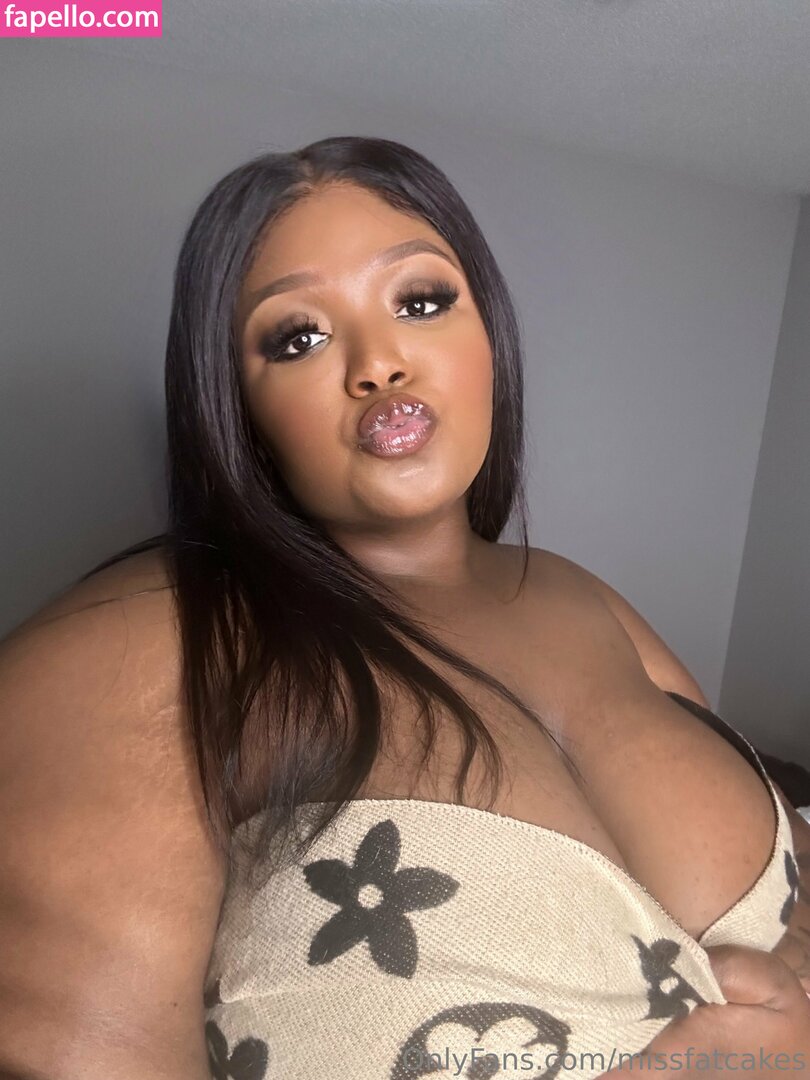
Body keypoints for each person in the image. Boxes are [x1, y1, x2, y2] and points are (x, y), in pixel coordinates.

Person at [0, 135, 808, 1079]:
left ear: (488, 339)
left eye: (420, 302)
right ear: (236, 409)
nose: (379, 363)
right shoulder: (132, 650)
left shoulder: (586, 598)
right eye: (298, 337)